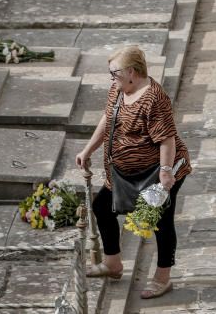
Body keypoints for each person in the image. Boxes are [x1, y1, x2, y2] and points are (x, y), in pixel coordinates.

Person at [75, 46, 192, 300]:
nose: (111, 78)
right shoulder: (119, 89)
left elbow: (167, 139)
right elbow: (107, 119)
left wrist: (165, 173)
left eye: (114, 73)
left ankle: (162, 278)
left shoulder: (154, 98)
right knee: (102, 207)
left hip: (157, 172)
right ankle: (113, 263)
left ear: (131, 72)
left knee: (161, 221)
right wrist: (88, 149)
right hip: (122, 174)